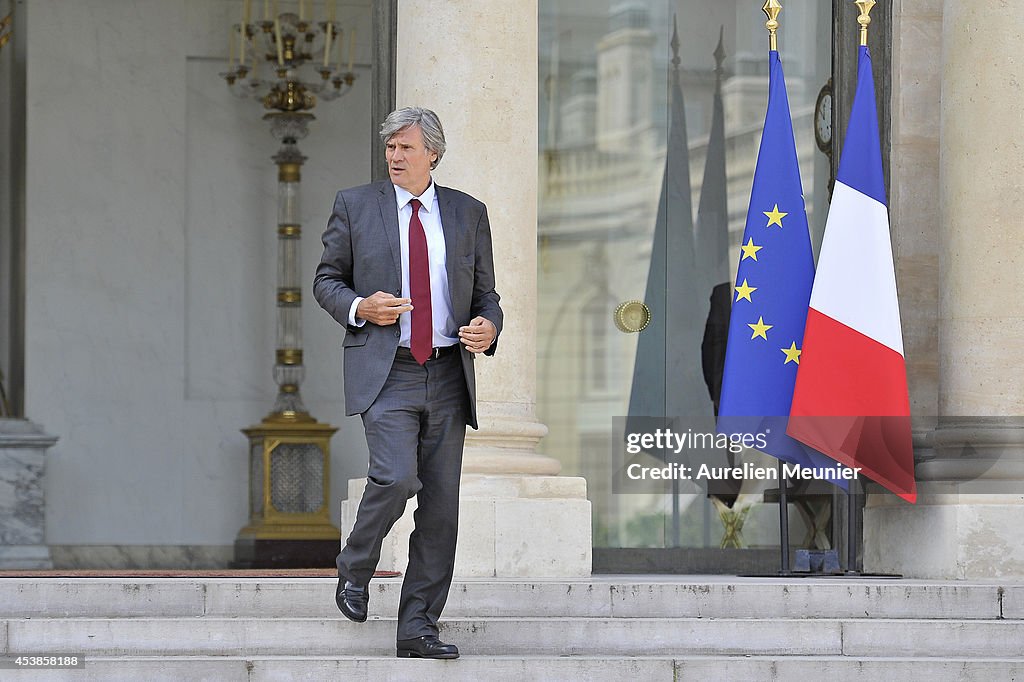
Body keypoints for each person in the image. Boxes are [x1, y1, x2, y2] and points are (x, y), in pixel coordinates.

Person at [313, 106, 502, 660]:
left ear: (432, 154)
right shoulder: (355, 205)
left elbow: (487, 293)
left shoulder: (468, 213)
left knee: (442, 509)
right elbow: (327, 280)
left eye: (405, 148)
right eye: (390, 147)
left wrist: (489, 326)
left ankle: (417, 626)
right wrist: (359, 306)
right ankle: (355, 564)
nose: (394, 156)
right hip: (387, 369)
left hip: (447, 372)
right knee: (395, 478)